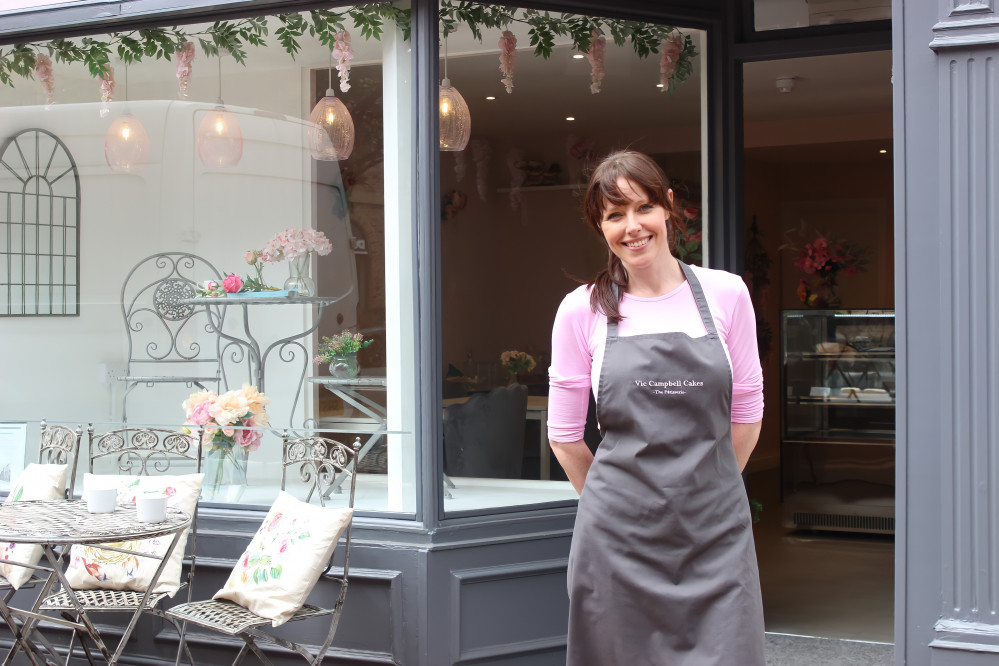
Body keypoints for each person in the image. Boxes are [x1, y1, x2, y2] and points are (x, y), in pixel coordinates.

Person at [547, 150, 765, 665]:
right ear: (599, 226)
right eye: (614, 215)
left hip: (715, 536)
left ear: (668, 207)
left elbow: (748, 410)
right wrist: (615, 504)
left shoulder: (726, 293)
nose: (632, 227)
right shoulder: (582, 309)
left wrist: (709, 488)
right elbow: (564, 436)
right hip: (618, 544)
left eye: (642, 208)